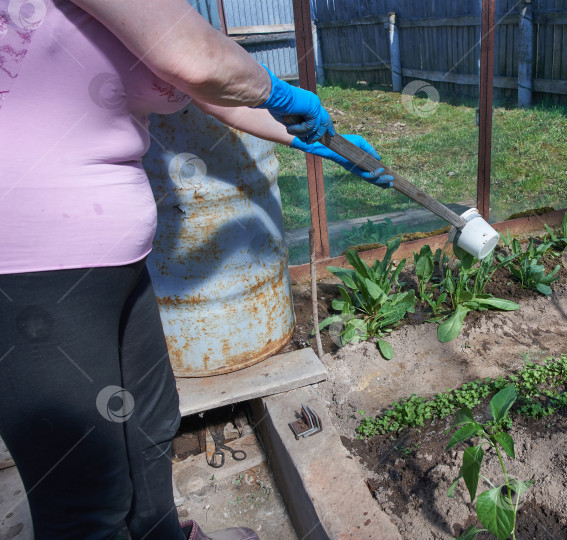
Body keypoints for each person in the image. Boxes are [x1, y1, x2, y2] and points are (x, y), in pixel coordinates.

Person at [0, 0, 392, 539]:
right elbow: (197, 60)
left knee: (148, 425)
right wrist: (277, 92)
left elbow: (205, 88)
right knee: (83, 493)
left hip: (113, 263)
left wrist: (314, 140)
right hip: (29, 267)